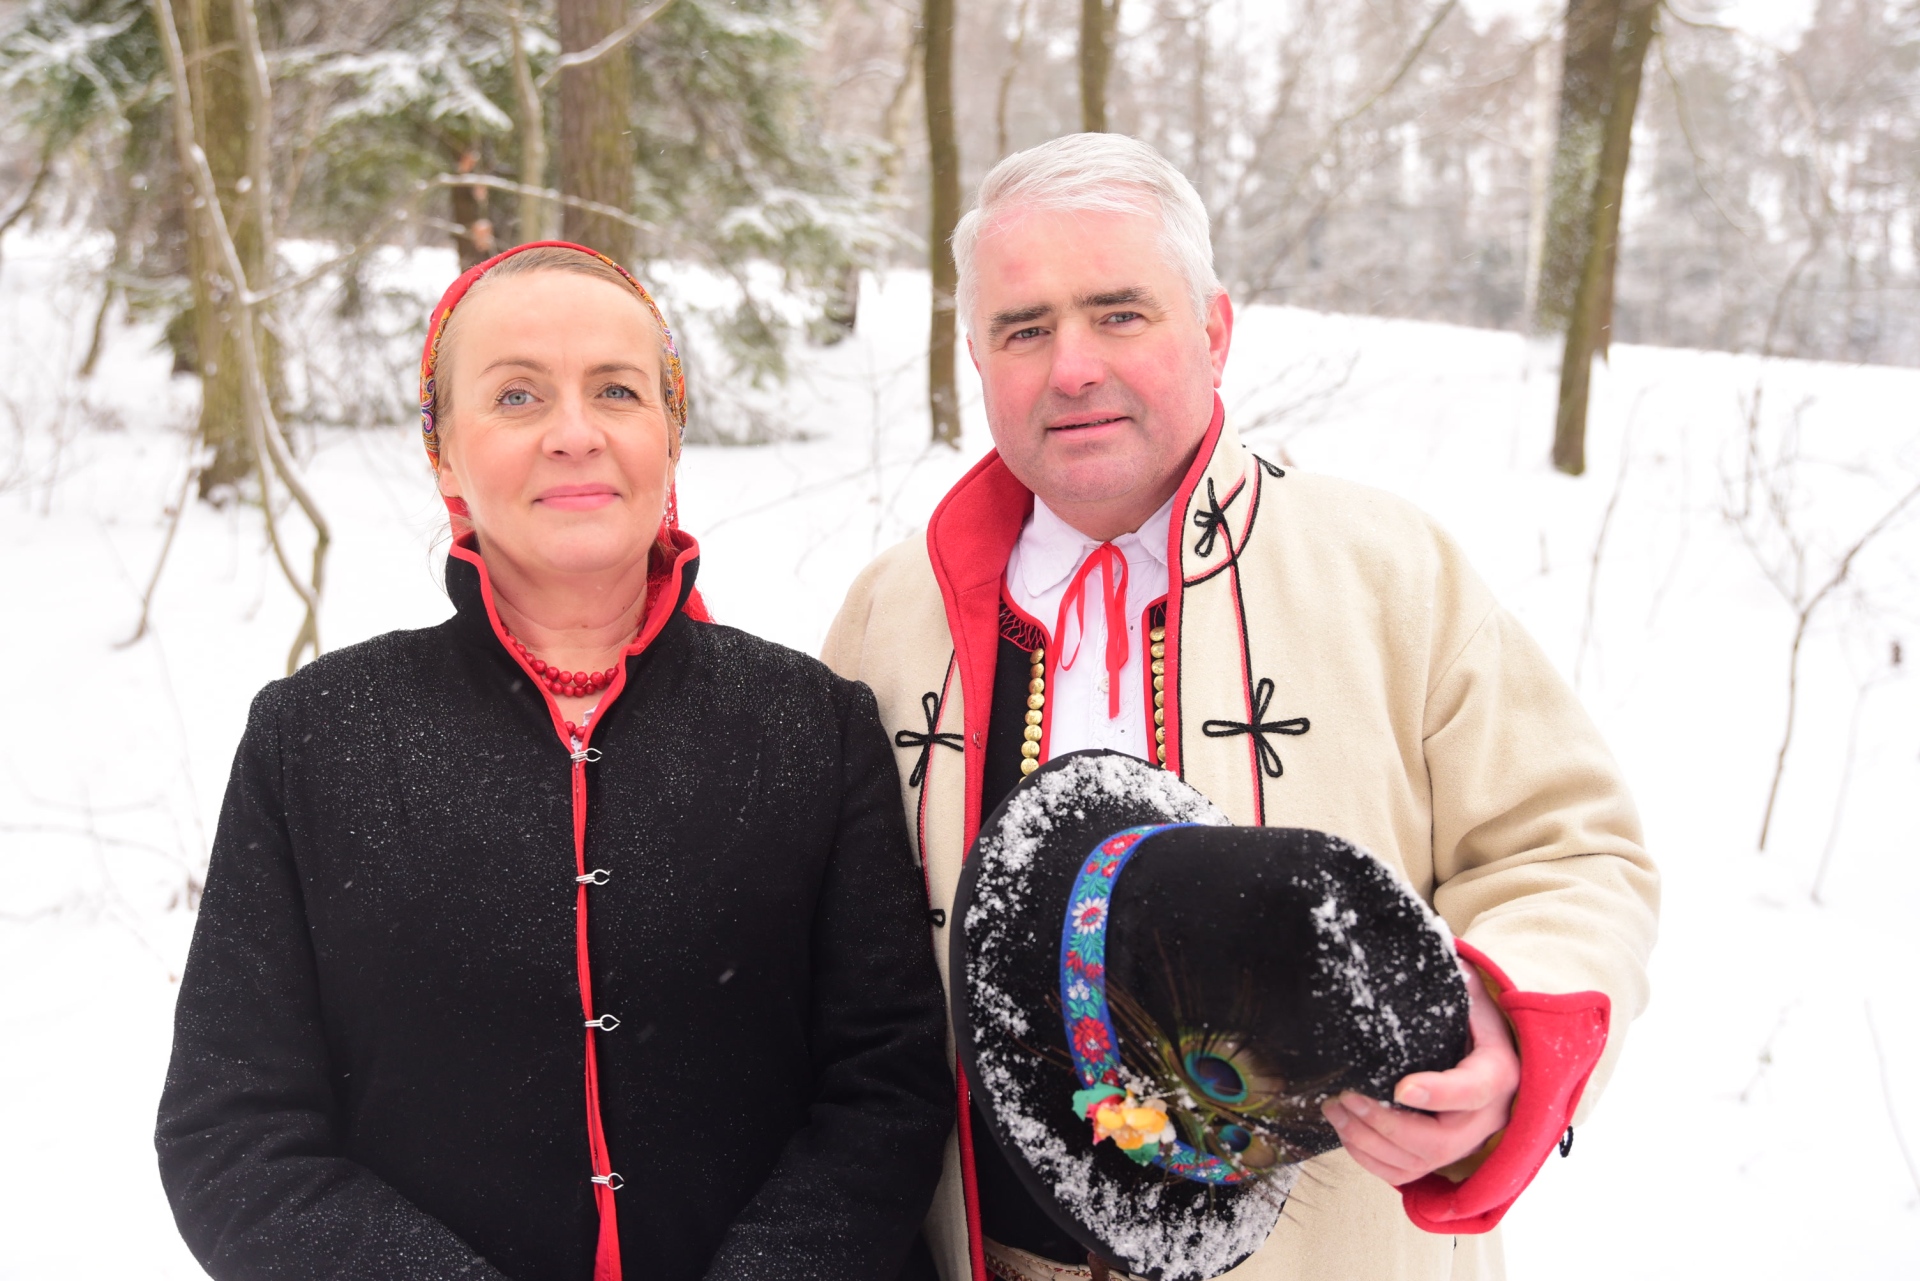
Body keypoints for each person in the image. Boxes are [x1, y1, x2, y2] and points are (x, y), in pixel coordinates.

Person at [822, 134, 1659, 1281]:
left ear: (1214, 331)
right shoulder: (891, 609)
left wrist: (1507, 1026)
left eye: (1119, 313)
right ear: (978, 357)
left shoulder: (1387, 571)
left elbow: (1569, 853)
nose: (1072, 367)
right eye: (1024, 329)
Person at [156, 241, 954, 1281]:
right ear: (444, 454)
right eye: (517, 395)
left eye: (616, 390)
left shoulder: (812, 725)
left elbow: (887, 1087)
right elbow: (233, 1130)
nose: (574, 433)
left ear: (671, 434)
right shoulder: (314, 737)